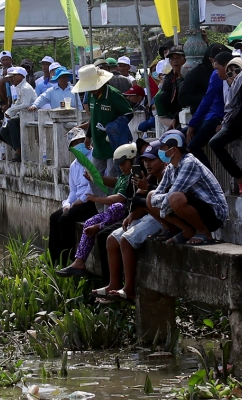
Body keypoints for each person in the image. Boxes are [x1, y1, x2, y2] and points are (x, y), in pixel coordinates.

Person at [97, 141, 169, 302]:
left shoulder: (167, 174)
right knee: (111, 239)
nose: (147, 164)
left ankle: (129, 288)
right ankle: (113, 283)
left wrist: (147, 187)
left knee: (126, 239)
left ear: (163, 160)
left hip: (161, 217)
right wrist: (132, 216)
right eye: (145, 160)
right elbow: (140, 200)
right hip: (147, 214)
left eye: (151, 160)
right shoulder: (149, 176)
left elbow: (162, 203)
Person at [56, 142, 138, 277]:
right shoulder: (124, 176)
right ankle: (79, 261)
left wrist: (96, 199)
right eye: (120, 164)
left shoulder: (134, 177)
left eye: (124, 163)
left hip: (125, 212)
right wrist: (95, 178)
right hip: (112, 213)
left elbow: (119, 199)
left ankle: (100, 226)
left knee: (116, 207)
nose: (122, 167)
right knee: (88, 223)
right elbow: (115, 181)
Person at [147, 130, 227, 244]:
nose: (160, 151)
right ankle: (188, 230)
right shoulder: (171, 167)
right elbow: (156, 195)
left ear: (173, 150)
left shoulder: (189, 162)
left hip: (214, 213)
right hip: (195, 208)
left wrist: (162, 209)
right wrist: (159, 202)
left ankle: (204, 232)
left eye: (163, 148)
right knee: (150, 197)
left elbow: (174, 193)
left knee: (175, 198)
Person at [48, 129, 99, 264]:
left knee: (65, 219)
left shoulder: (94, 157)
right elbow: (73, 190)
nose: (79, 145)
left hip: (91, 201)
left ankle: (67, 259)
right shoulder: (74, 165)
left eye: (81, 141)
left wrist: (78, 202)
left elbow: (93, 186)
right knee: (54, 217)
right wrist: (67, 204)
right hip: (77, 201)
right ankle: (53, 261)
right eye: (75, 143)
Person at [72, 64, 133, 177]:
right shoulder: (90, 96)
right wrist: (88, 136)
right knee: (93, 174)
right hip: (98, 144)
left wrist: (114, 126)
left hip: (112, 142)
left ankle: (111, 195)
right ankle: (97, 195)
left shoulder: (113, 94)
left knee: (111, 174)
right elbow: (93, 117)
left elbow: (129, 113)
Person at [206, 53, 242, 190]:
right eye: (230, 72)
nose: (233, 75)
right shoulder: (231, 87)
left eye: (237, 70)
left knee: (215, 142)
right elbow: (230, 109)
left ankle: (240, 176)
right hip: (234, 120)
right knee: (214, 141)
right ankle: (240, 175)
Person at [185, 52, 232, 168]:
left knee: (194, 145)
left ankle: (209, 178)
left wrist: (225, 122)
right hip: (216, 117)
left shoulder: (235, 76)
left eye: (217, 69)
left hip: (220, 118)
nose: (216, 72)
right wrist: (192, 123)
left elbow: (208, 100)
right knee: (178, 137)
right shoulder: (218, 75)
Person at [0, 66, 36, 161]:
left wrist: (11, 111)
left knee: (12, 123)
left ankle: (19, 150)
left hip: (30, 115)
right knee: (3, 131)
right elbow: (18, 102)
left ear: (21, 76)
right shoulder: (19, 87)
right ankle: (18, 149)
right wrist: (11, 112)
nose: (12, 78)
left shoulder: (25, 87)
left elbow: (25, 104)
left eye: (14, 76)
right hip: (21, 114)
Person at [153, 46, 186, 128]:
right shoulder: (169, 79)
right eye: (172, 58)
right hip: (175, 118)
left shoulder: (190, 75)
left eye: (178, 57)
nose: (175, 61)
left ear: (185, 59)